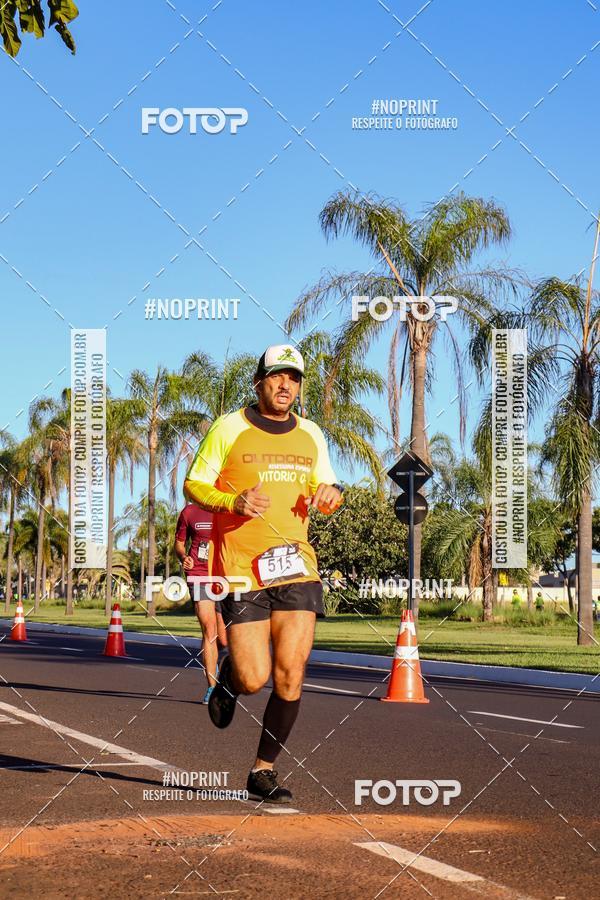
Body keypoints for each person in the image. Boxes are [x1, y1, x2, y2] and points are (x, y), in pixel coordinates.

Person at [184, 344, 343, 804]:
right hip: (241, 570)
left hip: (297, 565)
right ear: (259, 383)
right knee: (255, 679)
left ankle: (263, 770)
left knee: (291, 673)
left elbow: (326, 485)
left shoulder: (311, 433)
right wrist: (232, 502)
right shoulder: (229, 428)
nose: (285, 386)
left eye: (293, 378)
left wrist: (331, 496)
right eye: (276, 377)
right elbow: (194, 482)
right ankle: (232, 678)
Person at [174, 502, 228, 704]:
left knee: (224, 640)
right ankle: (212, 688)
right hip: (199, 575)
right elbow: (179, 544)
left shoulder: (228, 506)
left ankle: (216, 664)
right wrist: (184, 557)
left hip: (226, 576)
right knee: (209, 628)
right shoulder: (189, 511)